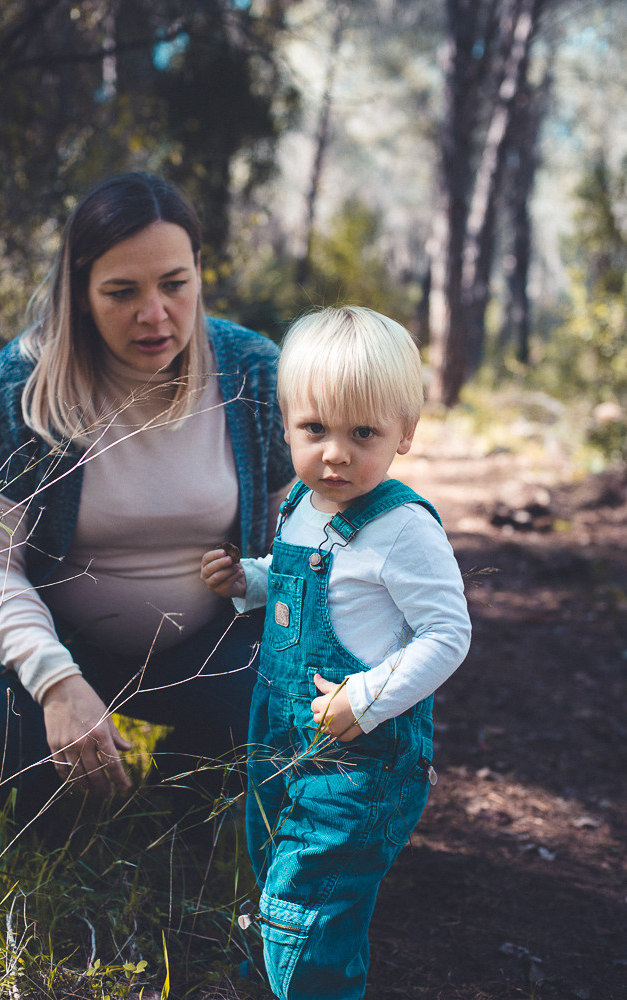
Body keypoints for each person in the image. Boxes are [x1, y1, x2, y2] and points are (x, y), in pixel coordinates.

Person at [0, 172, 294, 819]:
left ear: (199, 270)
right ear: (80, 292)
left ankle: (185, 793)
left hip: (204, 651)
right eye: (121, 292)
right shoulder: (26, 383)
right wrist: (56, 682)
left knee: (288, 705)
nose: (154, 314)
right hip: (57, 636)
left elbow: (296, 536)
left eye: (175, 284)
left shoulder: (252, 370)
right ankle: (53, 803)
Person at [200, 305, 471, 1000]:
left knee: (310, 901)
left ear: (405, 433)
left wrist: (368, 695)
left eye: (363, 433)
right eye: (314, 429)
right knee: (273, 866)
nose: (335, 454)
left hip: (360, 763)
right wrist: (247, 581)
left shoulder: (402, 527)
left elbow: (448, 633)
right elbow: (294, 580)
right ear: (288, 422)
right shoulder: (301, 502)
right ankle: (274, 977)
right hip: (277, 740)